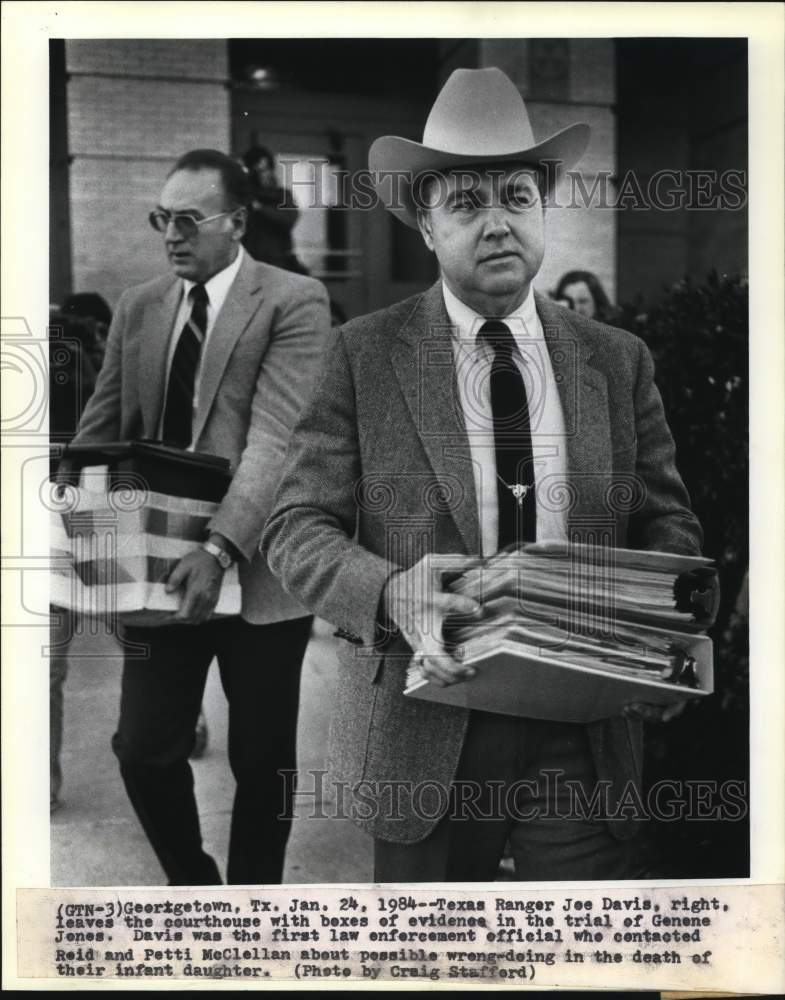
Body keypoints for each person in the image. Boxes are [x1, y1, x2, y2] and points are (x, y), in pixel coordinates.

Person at [261, 68, 702, 883]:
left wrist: (659, 636)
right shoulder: (363, 354)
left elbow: (663, 522)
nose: (495, 221)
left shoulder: (615, 360)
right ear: (425, 227)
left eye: (515, 196)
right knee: (438, 962)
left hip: (581, 729)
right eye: (465, 202)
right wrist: (392, 593)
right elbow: (293, 528)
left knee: (574, 961)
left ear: (542, 210)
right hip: (425, 727)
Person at [68, 148, 331, 884]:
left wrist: (217, 549)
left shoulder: (291, 301)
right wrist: (70, 522)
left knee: (261, 761)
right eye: (162, 218)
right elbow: (100, 429)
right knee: (144, 749)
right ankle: (195, 888)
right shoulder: (140, 305)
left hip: (258, 573)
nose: (171, 234)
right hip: (153, 573)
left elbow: (277, 440)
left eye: (188, 218)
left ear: (236, 221)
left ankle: (250, 914)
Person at [241, 145, 306, 274]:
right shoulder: (243, 197)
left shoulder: (281, 195)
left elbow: (289, 219)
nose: (263, 174)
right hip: (249, 264)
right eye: (257, 170)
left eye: (265, 169)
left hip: (278, 263)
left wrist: (261, 208)